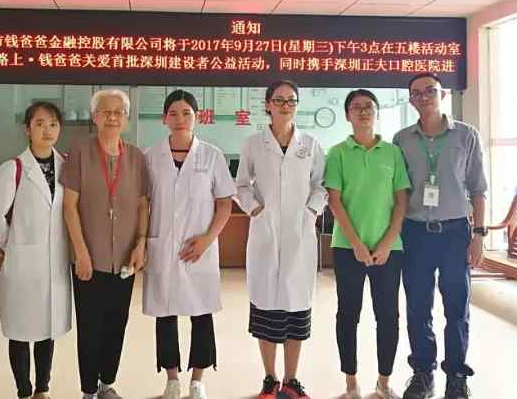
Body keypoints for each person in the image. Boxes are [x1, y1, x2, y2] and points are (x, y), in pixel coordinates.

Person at [393, 73, 488, 399]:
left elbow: (478, 189)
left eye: (430, 91)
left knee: (457, 308)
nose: (424, 97)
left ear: (442, 94)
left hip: (455, 233)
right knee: (418, 307)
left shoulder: (466, 135)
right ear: (411, 100)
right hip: (416, 233)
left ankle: (456, 375)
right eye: (417, 93)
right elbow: (398, 191)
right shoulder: (402, 140)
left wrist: (479, 235)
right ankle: (423, 373)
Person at [235, 80, 328, 399]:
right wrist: (255, 209)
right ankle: (270, 379)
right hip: (265, 233)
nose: (285, 105)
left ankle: (291, 379)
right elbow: (241, 185)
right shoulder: (253, 143)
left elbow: (321, 184)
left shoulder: (310, 144)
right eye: (279, 100)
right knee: (265, 308)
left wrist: (310, 212)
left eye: (291, 100)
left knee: (296, 309)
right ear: (267, 104)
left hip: (300, 234)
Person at [144, 90, 236, 399]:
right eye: (173, 113)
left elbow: (224, 203)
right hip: (163, 247)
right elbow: (143, 203)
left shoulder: (211, 155)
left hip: (200, 250)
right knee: (165, 315)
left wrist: (208, 239)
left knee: (202, 314)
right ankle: (171, 379)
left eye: (187, 113)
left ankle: (198, 380)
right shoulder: (151, 156)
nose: (180, 119)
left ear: (198, 117)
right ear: (164, 118)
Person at [61, 89, 149, 399]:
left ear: (126, 118)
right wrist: (81, 252)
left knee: (117, 323)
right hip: (90, 257)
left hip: (125, 258)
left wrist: (141, 244)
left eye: (118, 112)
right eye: (105, 112)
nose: (112, 117)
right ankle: (88, 390)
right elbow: (69, 206)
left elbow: (143, 205)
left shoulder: (136, 157)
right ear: (94, 116)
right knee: (90, 326)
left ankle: (106, 383)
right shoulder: (79, 153)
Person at [324, 89, 410, 399]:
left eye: (369, 107)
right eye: (356, 107)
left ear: (376, 112)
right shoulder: (337, 153)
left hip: (389, 249)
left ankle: (384, 382)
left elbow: (401, 201)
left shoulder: (392, 153)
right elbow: (334, 201)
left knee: (387, 316)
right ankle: (351, 383)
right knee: (348, 314)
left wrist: (387, 242)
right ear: (347, 114)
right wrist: (357, 244)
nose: (363, 112)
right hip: (348, 248)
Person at [0, 101, 71, 399]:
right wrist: (12, 245)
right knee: (20, 330)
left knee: (47, 329)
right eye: (40, 124)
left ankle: (42, 389)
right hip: (23, 263)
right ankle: (24, 390)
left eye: (53, 124)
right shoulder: (14, 168)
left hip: (55, 261)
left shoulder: (67, 166)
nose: (47, 130)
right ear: (27, 129)